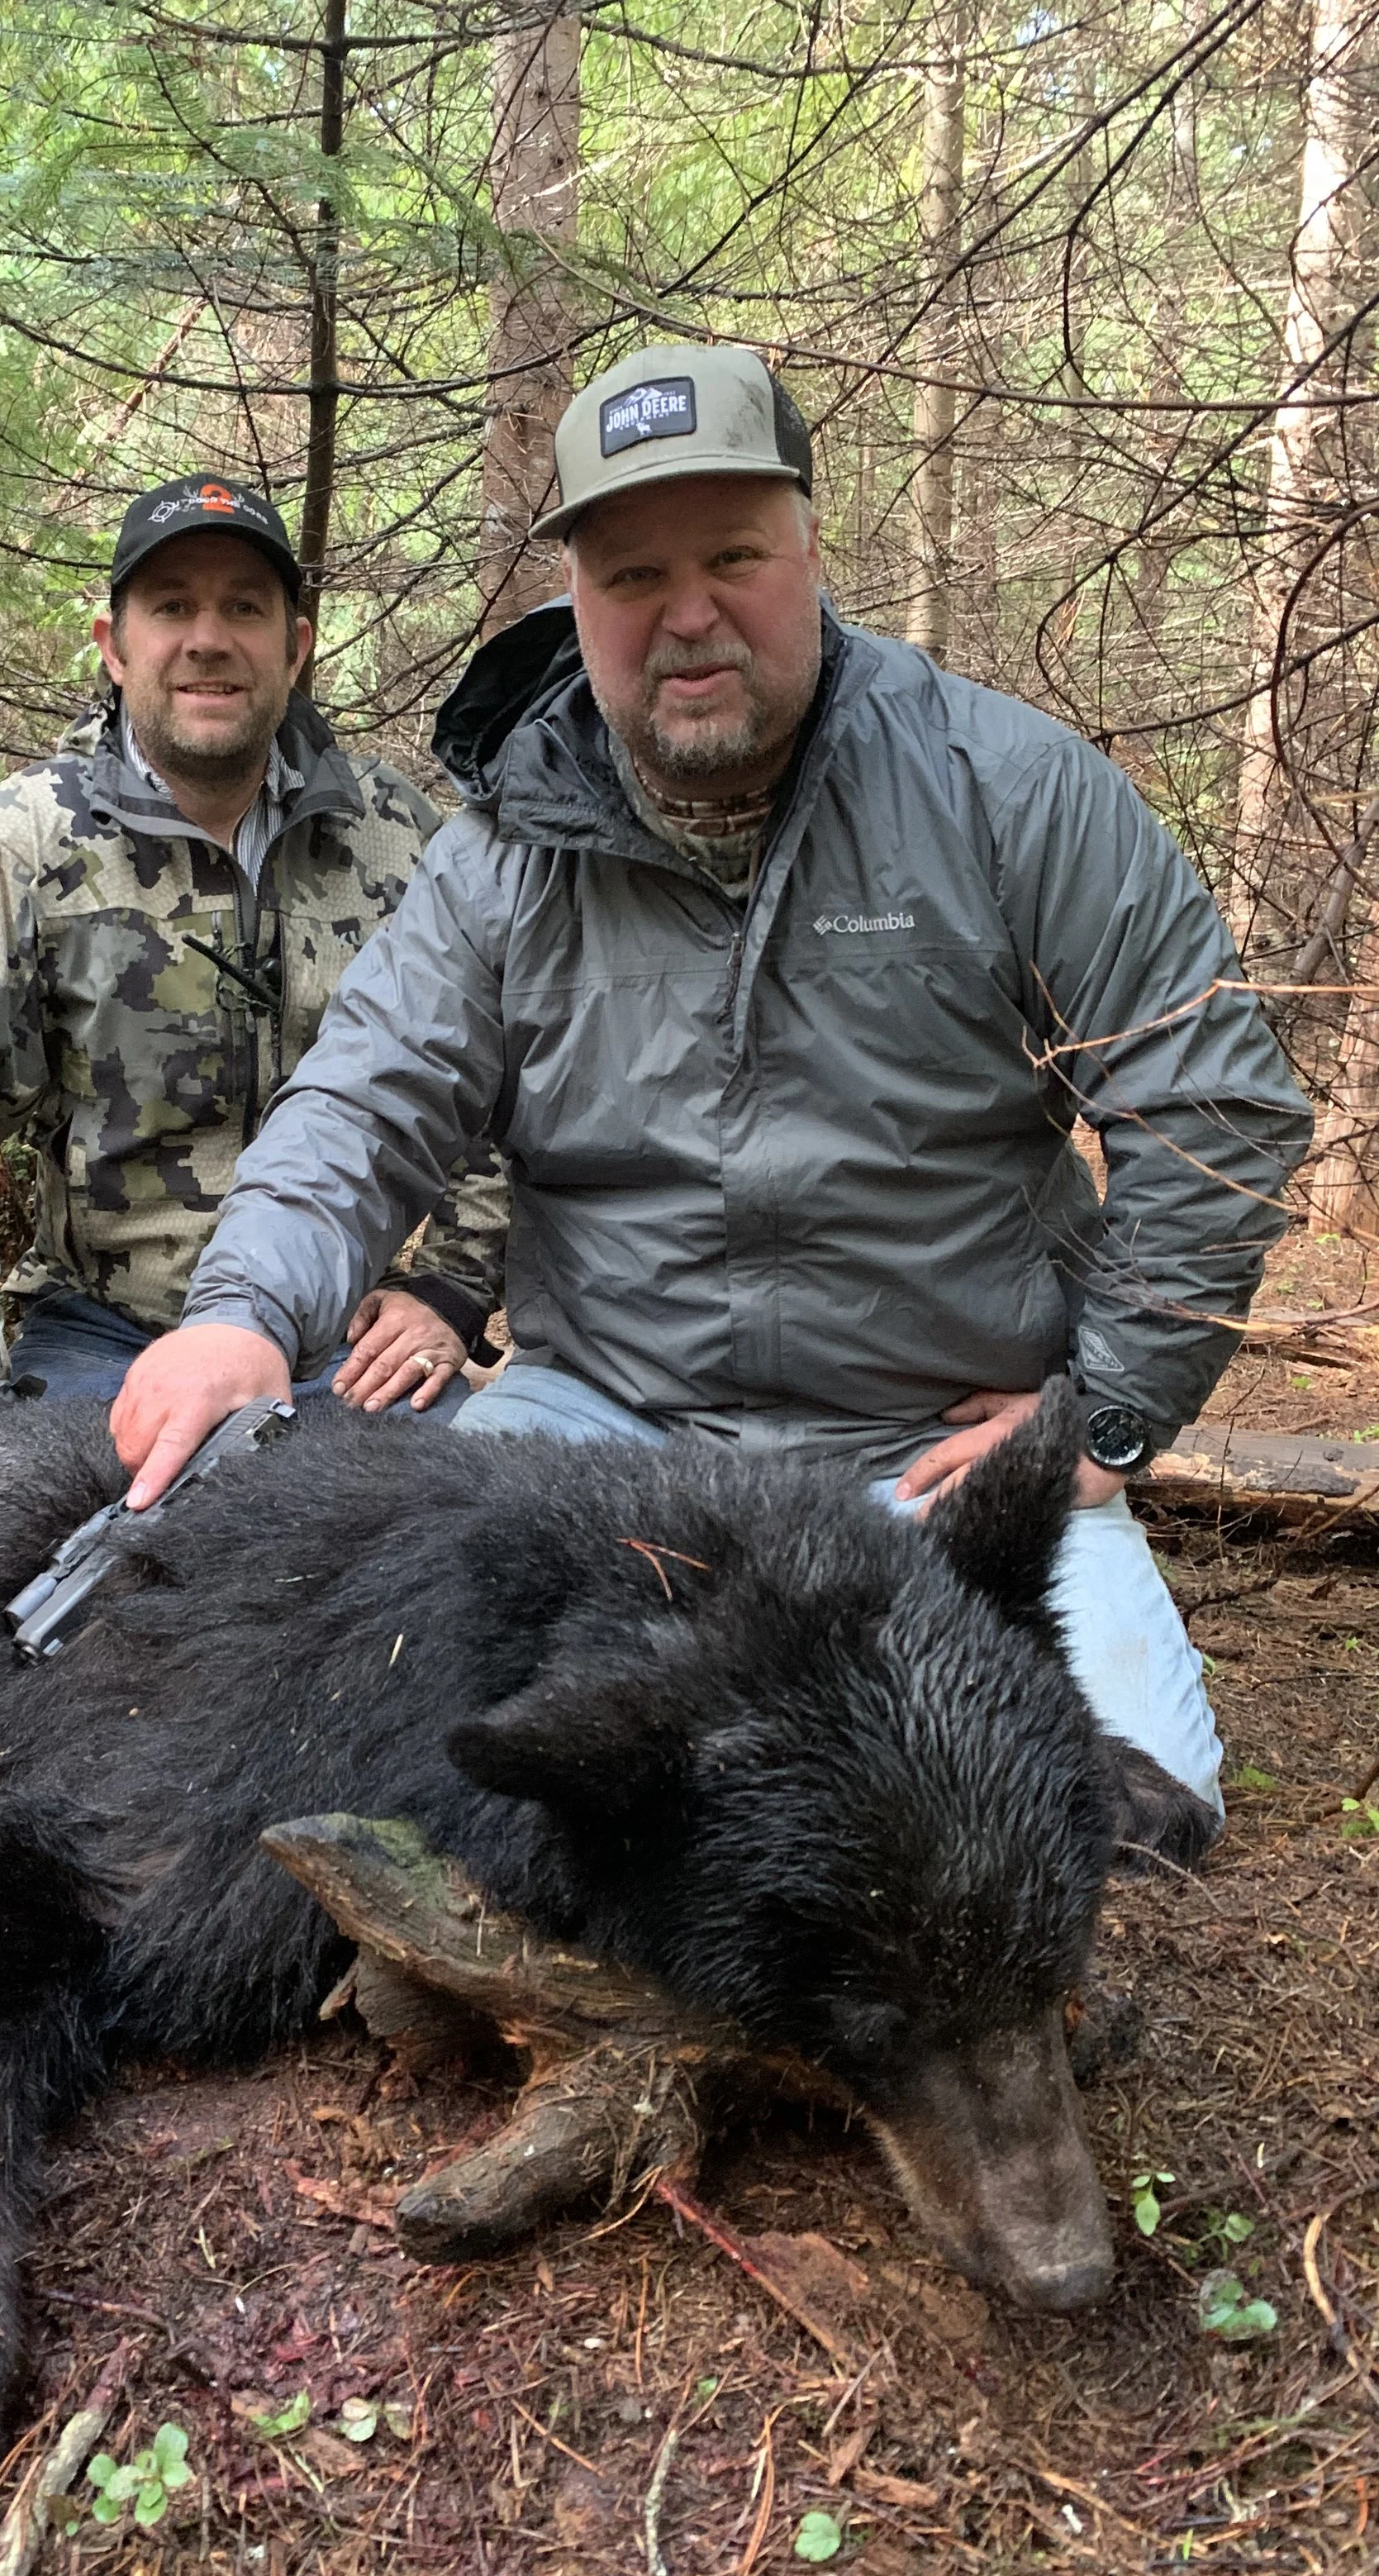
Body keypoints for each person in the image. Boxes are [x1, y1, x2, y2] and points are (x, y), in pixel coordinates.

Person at [109, 345, 1315, 1807]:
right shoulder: (505, 856)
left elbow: (1216, 1102)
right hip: (592, 1428)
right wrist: (241, 1314)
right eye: (630, 575)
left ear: (811, 546)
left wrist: (1105, 1411)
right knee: (365, 1747)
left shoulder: (1006, 789)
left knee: (1115, 1809)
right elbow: (365, 1101)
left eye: (734, 555)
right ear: (579, 601)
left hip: (922, 1447)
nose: (687, 615)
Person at [0, 470, 504, 1419]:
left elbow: (492, 1072)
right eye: (172, 607)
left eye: (243, 607)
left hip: (339, 1342)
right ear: (114, 647)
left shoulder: (396, 834)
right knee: (55, 1557)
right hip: (106, 1335)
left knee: (472, 1538)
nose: (209, 639)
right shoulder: (27, 846)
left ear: (294, 648)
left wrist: (451, 1285)